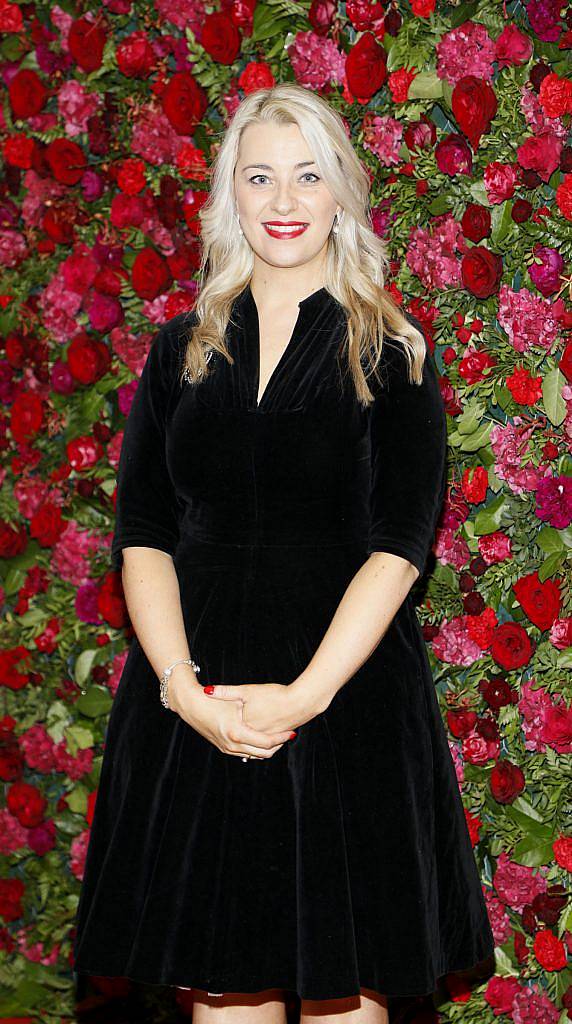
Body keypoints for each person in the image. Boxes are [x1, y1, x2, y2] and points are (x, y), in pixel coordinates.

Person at [72, 82, 495, 1022]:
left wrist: (304, 695)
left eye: (307, 175)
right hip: (195, 698)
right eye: (259, 177)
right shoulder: (177, 349)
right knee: (222, 984)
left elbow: (398, 547)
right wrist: (183, 692)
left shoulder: (393, 351)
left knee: (347, 994)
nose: (284, 201)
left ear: (340, 191)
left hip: (345, 704)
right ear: (231, 195)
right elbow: (142, 534)